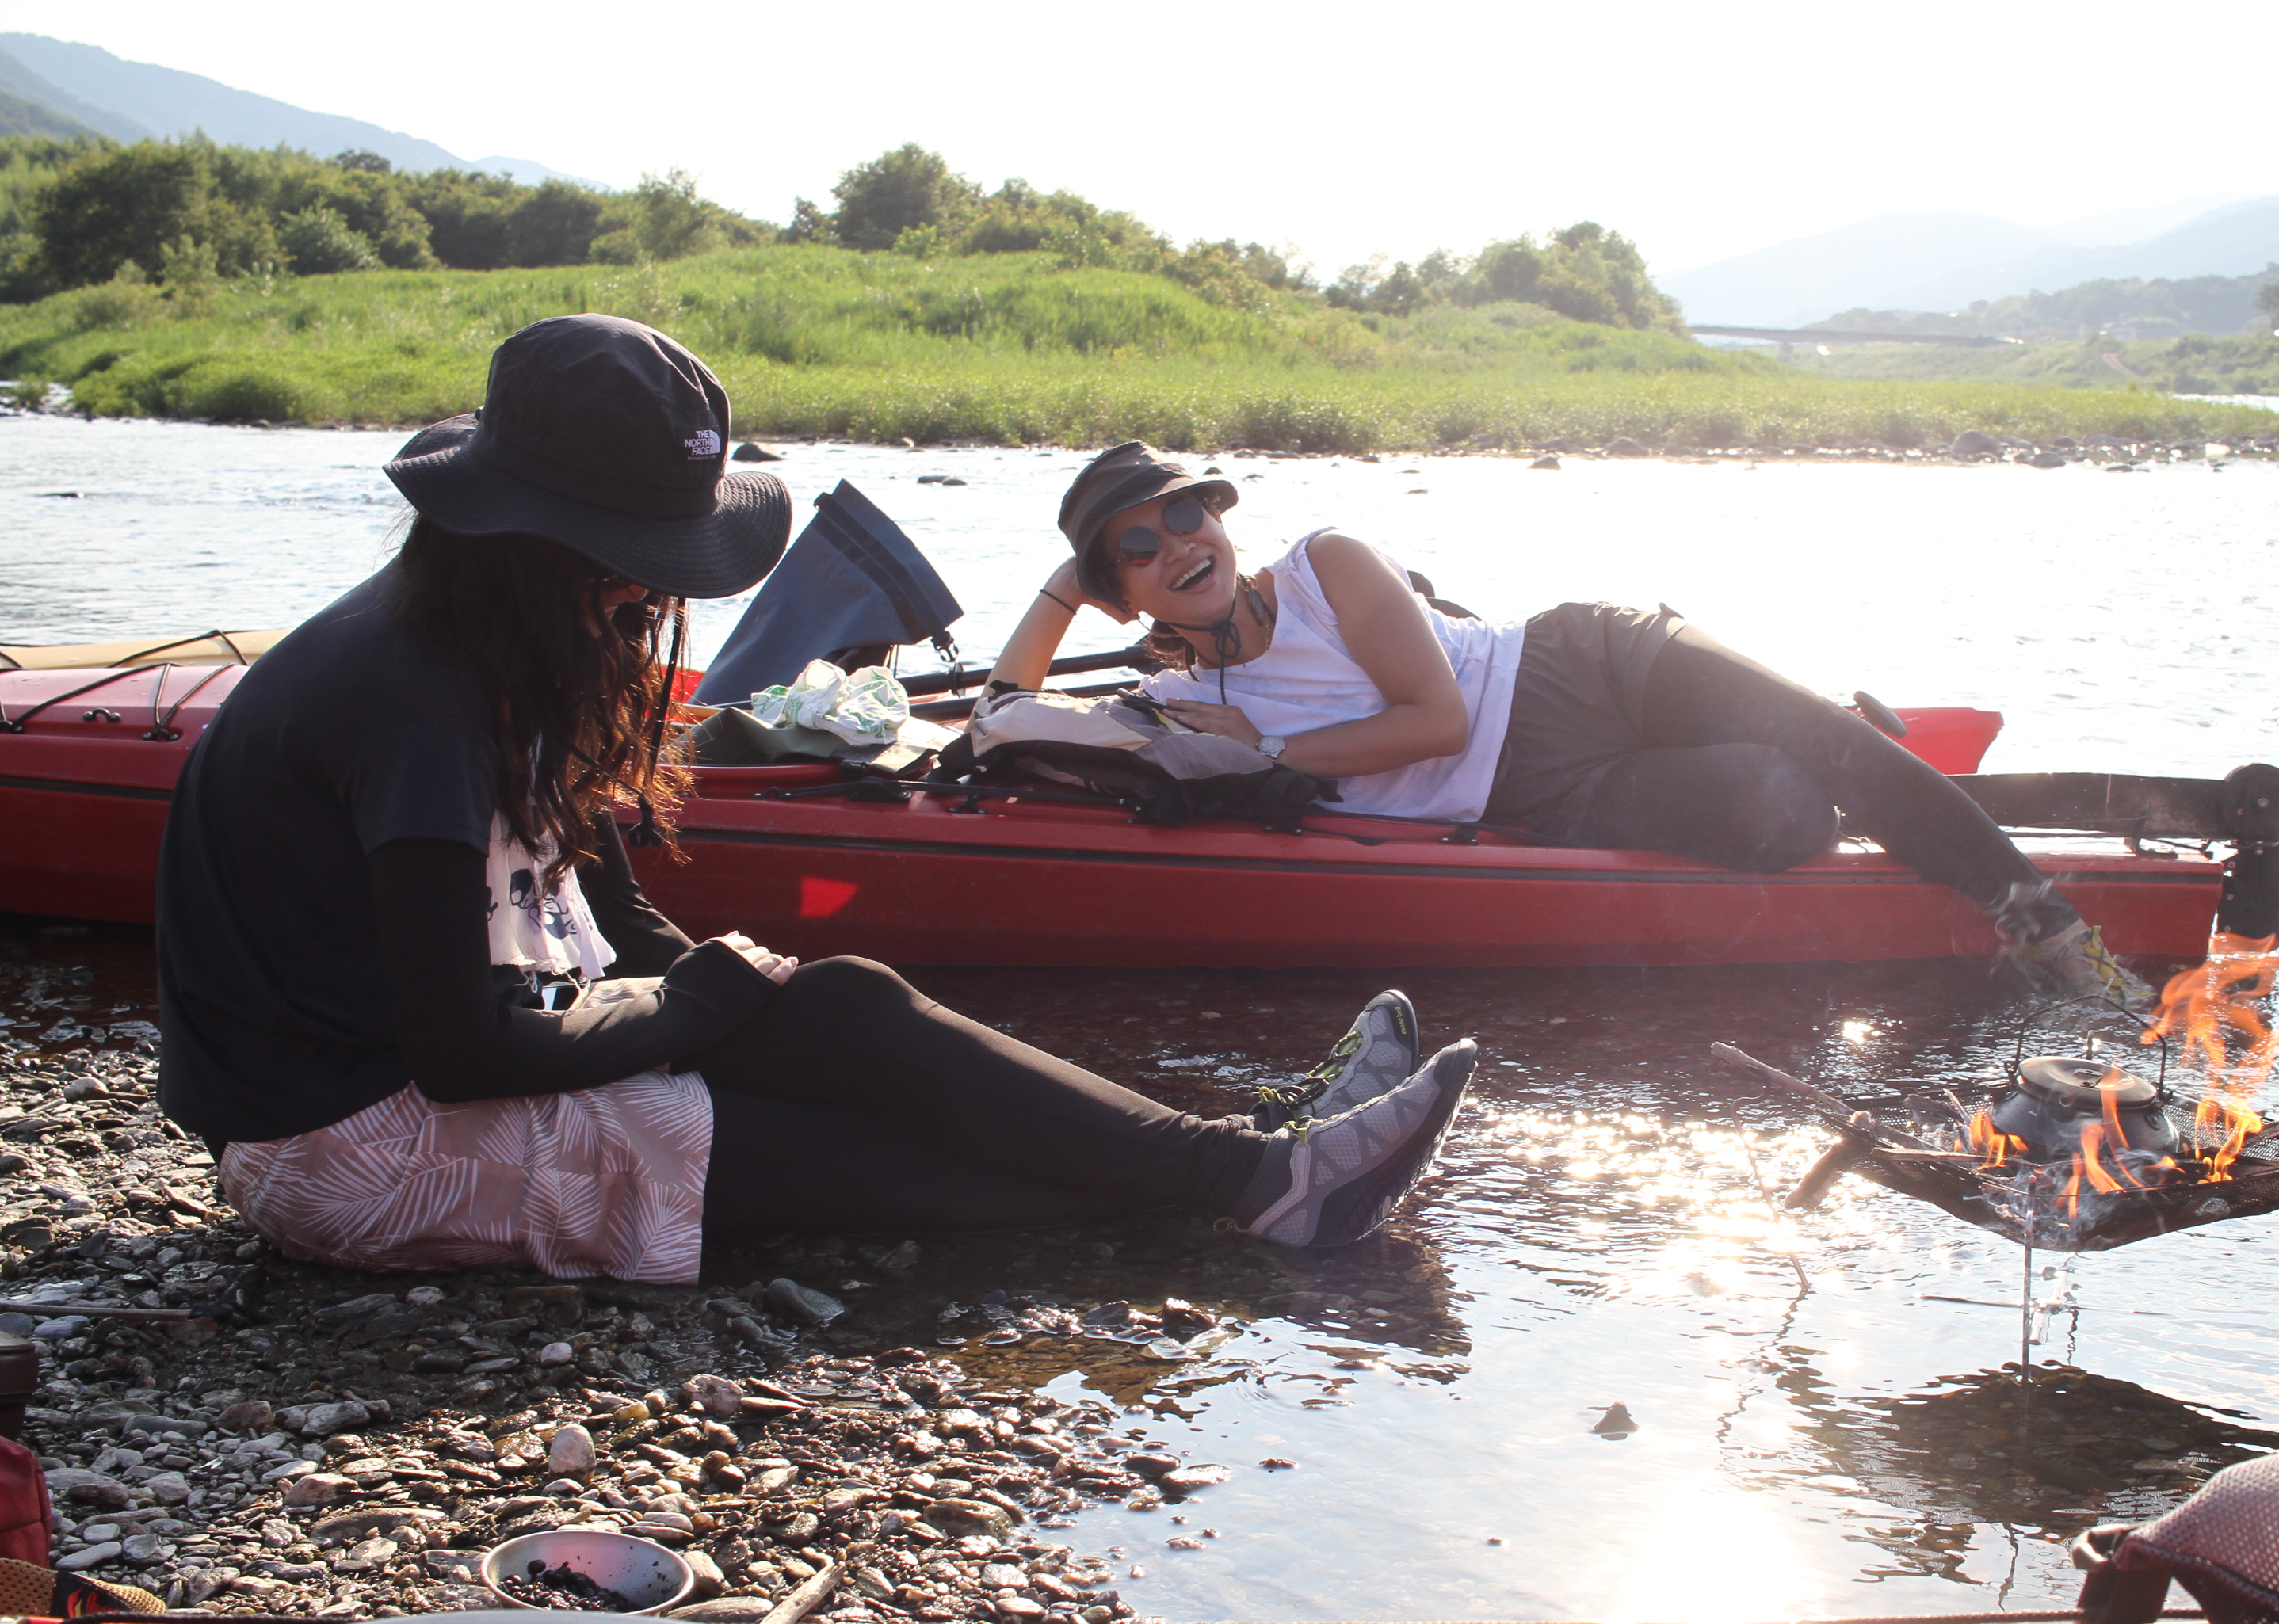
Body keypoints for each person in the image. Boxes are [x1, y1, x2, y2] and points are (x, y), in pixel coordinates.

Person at [152, 317, 1475, 1285]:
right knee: (873, 1156)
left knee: (842, 1001)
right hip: (353, 1140)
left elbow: (612, 932)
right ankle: (1263, 1181)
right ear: (549, 542)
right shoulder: (420, 699)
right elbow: (456, 1047)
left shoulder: (504, 643)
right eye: (636, 566)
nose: (648, 597)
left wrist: (735, 993)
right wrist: (705, 1006)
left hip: (484, 1061)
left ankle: (1255, 1161)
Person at [990, 442, 2149, 1002]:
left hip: (1579, 666)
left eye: (1185, 513)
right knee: (1789, 815)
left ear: (1220, 518)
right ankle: (1861, 759)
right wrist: (1063, 587)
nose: (1176, 545)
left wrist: (1281, 757)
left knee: (1828, 755)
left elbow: (1436, 718)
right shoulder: (1173, 703)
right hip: (1536, 796)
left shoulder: (1328, 563)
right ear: (1119, 589)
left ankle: (2055, 937)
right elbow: (1002, 716)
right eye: (1136, 547)